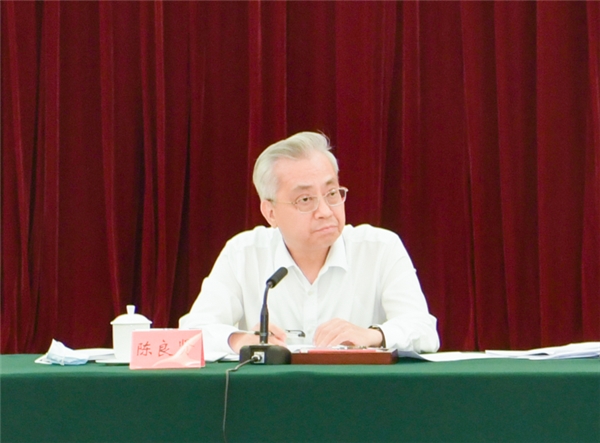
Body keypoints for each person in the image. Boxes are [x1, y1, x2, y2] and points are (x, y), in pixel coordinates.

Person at [180, 132, 439, 355]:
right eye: (305, 200)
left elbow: (425, 331)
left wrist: (372, 335)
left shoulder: (380, 248)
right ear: (270, 212)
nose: (325, 211)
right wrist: (241, 340)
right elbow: (191, 333)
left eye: (332, 193)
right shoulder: (243, 253)